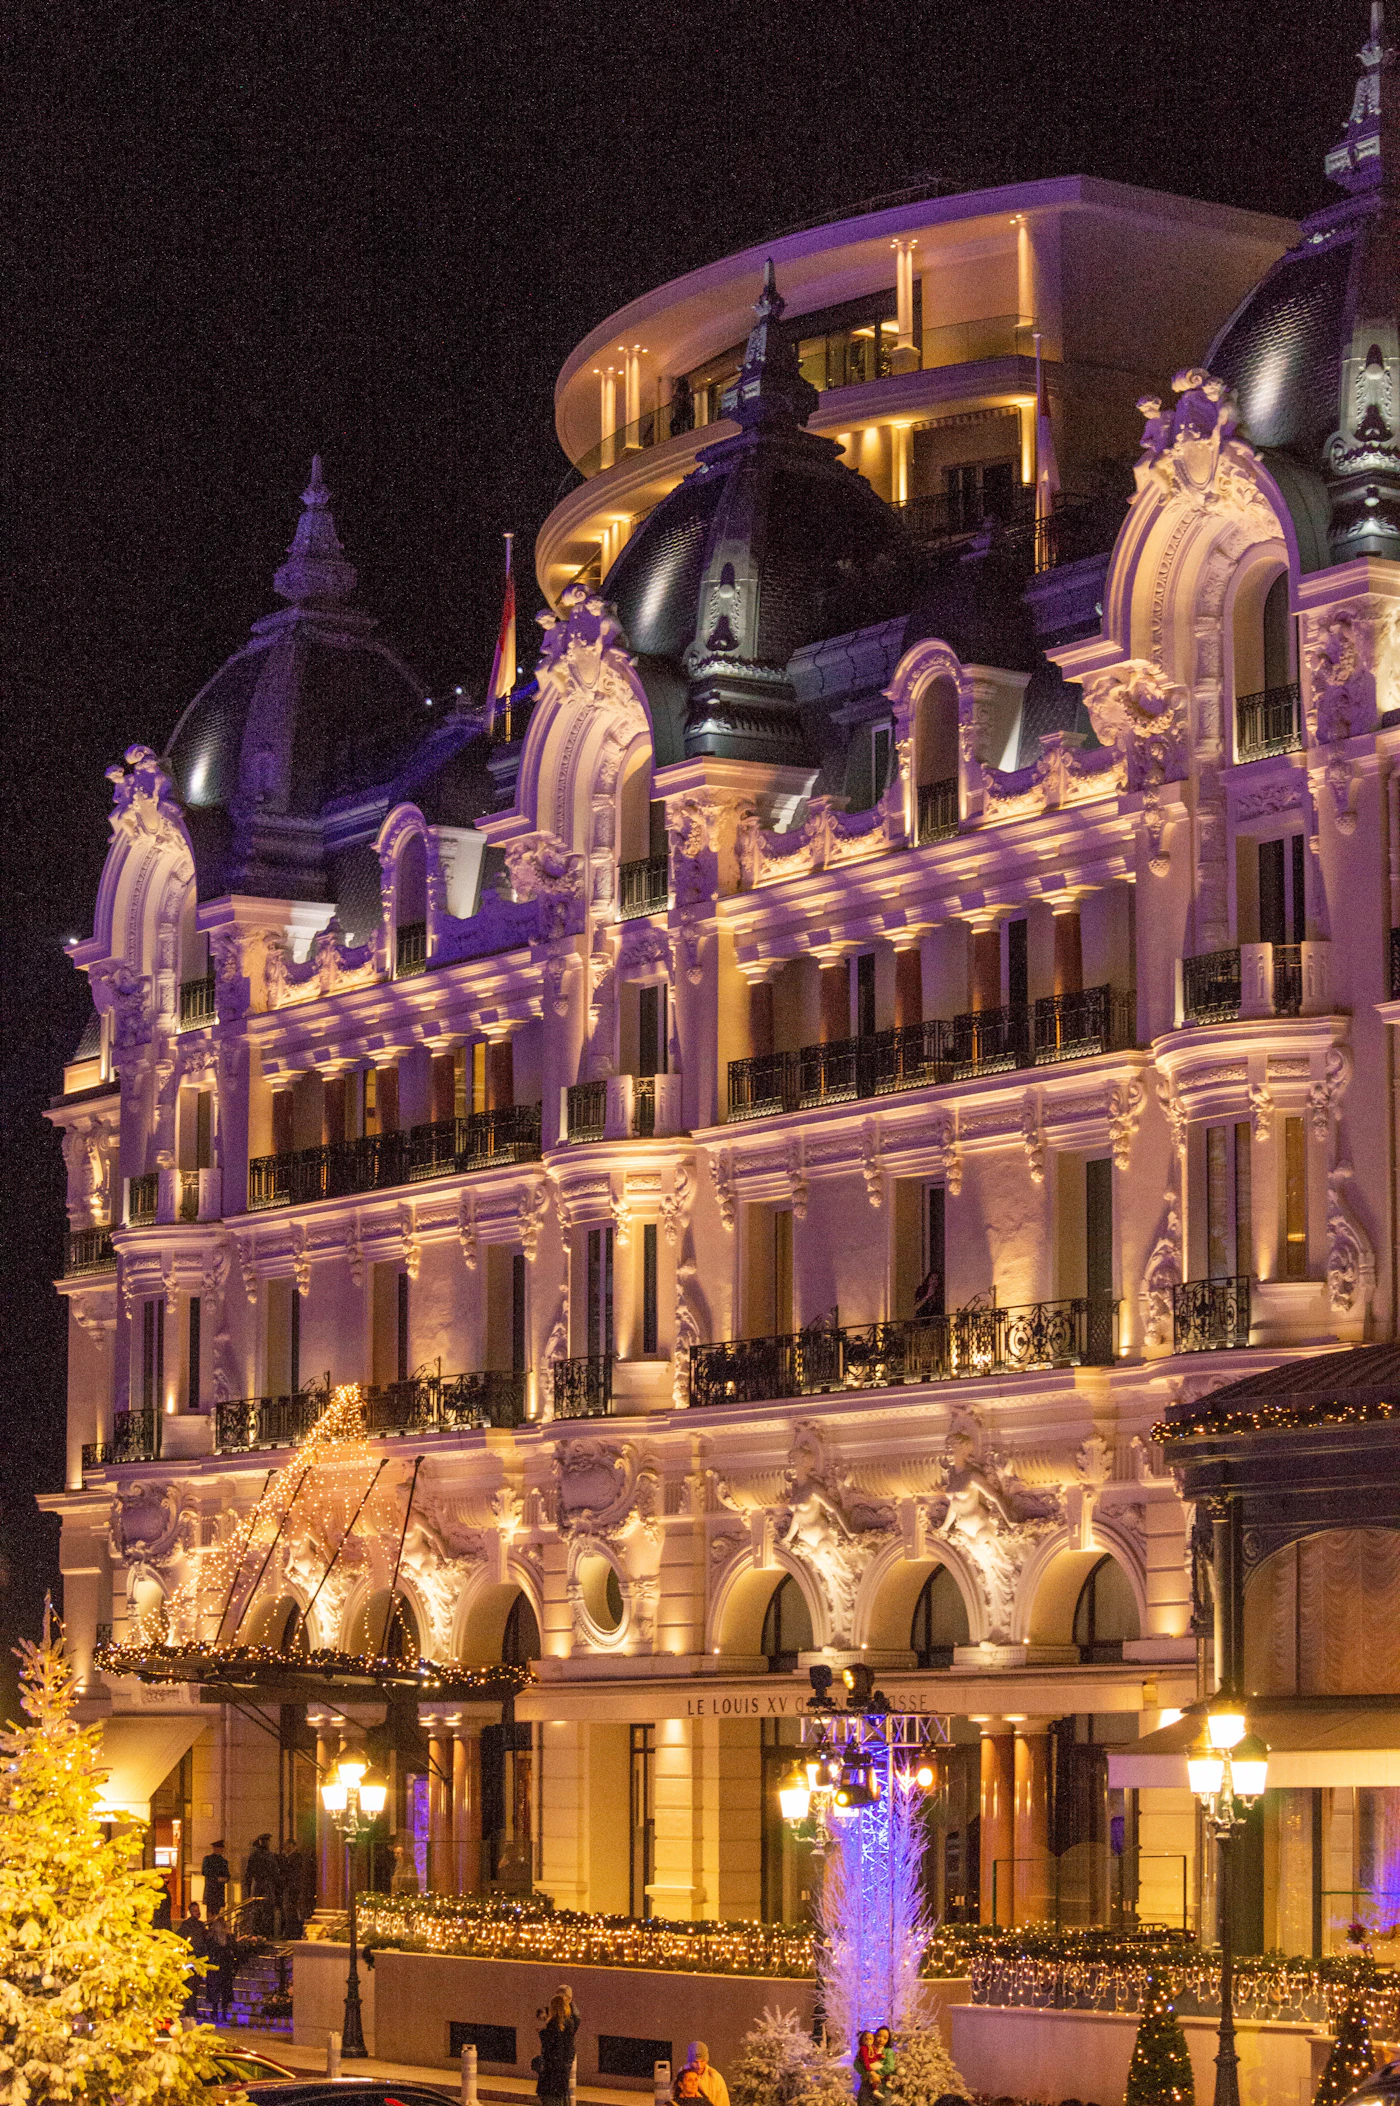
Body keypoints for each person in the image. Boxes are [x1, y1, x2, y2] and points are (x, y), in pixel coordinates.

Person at [534, 1986, 580, 2106]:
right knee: (561, 2095)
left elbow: (551, 2045)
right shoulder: (568, 2021)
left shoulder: (557, 2023)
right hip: (562, 2065)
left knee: (550, 2096)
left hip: (553, 2067)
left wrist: (543, 2033)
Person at [175, 1900, 208, 2017]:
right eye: (195, 1911)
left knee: (194, 1986)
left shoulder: (200, 1925)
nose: (197, 1913)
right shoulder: (187, 1925)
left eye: (198, 1910)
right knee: (191, 1985)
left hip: (198, 1959)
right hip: (190, 1959)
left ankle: (191, 2009)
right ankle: (190, 2009)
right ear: (190, 1912)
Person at [205, 1907, 237, 2024]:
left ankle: (215, 2012)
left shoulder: (211, 1937)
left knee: (215, 1991)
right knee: (224, 1991)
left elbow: (208, 1950)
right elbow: (234, 1950)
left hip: (215, 1967)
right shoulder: (228, 1938)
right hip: (225, 1968)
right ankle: (223, 2013)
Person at [244, 1832, 277, 1936]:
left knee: (257, 1909)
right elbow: (274, 1871)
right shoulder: (268, 1855)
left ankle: (256, 1932)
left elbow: (249, 1872)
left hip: (258, 1884)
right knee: (265, 1909)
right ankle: (266, 1933)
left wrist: (248, 1886)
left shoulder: (255, 1854)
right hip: (265, 1885)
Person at [200, 1839, 230, 1917]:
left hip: (218, 1890)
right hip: (211, 1889)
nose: (221, 1850)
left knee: (217, 1911)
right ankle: (210, 1926)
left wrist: (225, 1878)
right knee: (210, 1910)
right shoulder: (208, 1859)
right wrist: (217, 1878)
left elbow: (227, 1874)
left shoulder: (224, 1861)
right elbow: (205, 1872)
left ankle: (214, 1926)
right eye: (219, 1848)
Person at [853, 2031, 882, 2105]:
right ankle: (875, 2089)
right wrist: (869, 2072)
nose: (881, 2040)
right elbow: (859, 2063)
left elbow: (889, 2067)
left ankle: (880, 2085)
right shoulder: (864, 2048)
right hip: (867, 2082)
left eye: (870, 2039)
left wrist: (880, 2056)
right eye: (879, 2036)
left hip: (882, 2085)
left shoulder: (873, 2048)